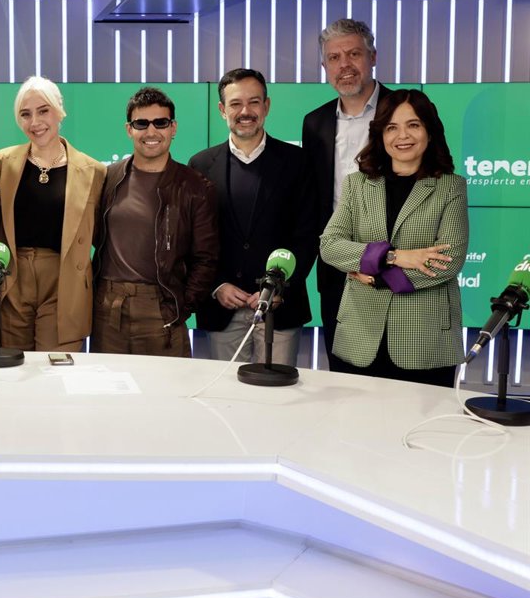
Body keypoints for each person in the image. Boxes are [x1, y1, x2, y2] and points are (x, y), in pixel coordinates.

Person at [319, 89, 468, 387]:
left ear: (429, 131)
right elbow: (330, 246)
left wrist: (375, 276)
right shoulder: (357, 184)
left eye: (413, 125)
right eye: (392, 127)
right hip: (359, 335)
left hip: (424, 340)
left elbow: (448, 262)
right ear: (381, 134)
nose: (403, 136)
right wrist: (395, 257)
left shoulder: (451, 187)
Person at [190, 69, 317, 365]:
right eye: (235, 104)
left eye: (254, 102)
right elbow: (194, 239)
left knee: (277, 392)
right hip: (223, 309)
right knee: (224, 391)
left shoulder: (297, 162)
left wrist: (279, 288)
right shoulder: (200, 165)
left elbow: (308, 235)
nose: (245, 111)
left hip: (280, 309)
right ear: (222, 110)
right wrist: (217, 285)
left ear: (266, 106)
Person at [92, 87, 218, 357]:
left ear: (173, 128)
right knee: (107, 382)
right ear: (129, 129)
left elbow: (206, 259)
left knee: (168, 384)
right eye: (142, 123)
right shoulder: (107, 178)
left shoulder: (195, 186)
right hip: (107, 306)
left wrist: (181, 307)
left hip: (163, 306)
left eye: (160, 123)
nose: (151, 131)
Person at [0, 76, 106, 352]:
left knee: (56, 368)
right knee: (12, 366)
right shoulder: (1, 163)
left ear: (59, 111)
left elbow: (101, 238)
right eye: (25, 114)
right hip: (13, 277)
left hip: (64, 281)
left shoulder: (93, 171)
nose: (35, 122)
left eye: (43, 111)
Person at [302, 19, 391, 368]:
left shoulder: (406, 109)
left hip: (395, 261)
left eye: (354, 54)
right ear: (325, 66)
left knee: (395, 373)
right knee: (343, 373)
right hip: (338, 265)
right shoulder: (315, 123)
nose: (345, 65)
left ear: (373, 57)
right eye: (334, 58)